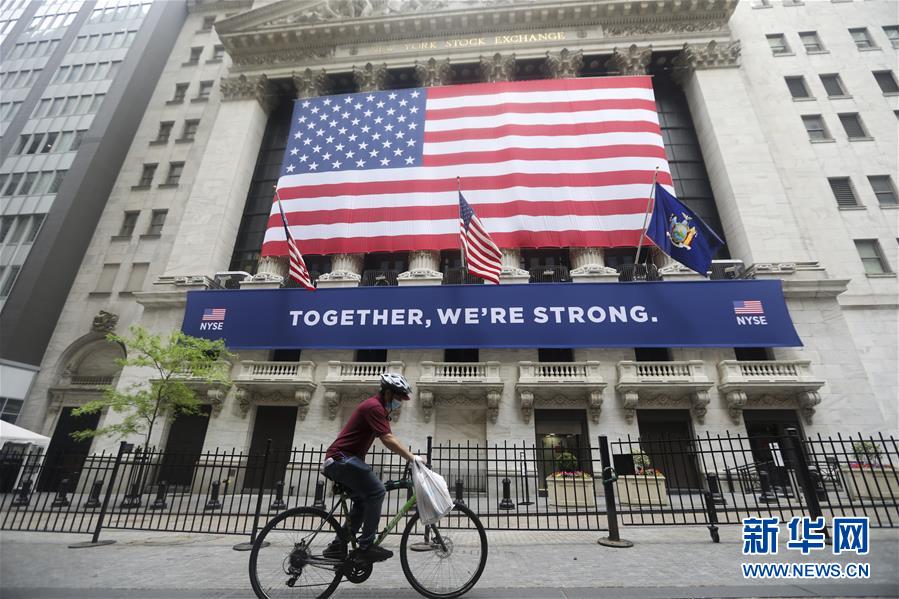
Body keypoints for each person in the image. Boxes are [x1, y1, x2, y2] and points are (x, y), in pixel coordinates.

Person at [320, 372, 420, 563]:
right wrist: (412, 457)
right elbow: (388, 439)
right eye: (398, 397)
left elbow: (389, 438)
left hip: (343, 460)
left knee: (362, 503)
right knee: (378, 491)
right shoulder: (374, 407)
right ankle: (366, 547)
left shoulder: (378, 408)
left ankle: (337, 547)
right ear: (388, 393)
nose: (400, 402)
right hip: (341, 459)